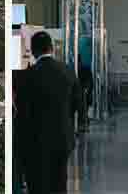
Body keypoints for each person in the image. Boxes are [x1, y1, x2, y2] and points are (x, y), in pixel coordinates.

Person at [13, 31, 83, 193]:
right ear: (51, 48)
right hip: (62, 138)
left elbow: (22, 112)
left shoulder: (27, 76)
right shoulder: (68, 71)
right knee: (59, 182)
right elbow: (78, 103)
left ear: (33, 51)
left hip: (36, 141)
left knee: (37, 184)